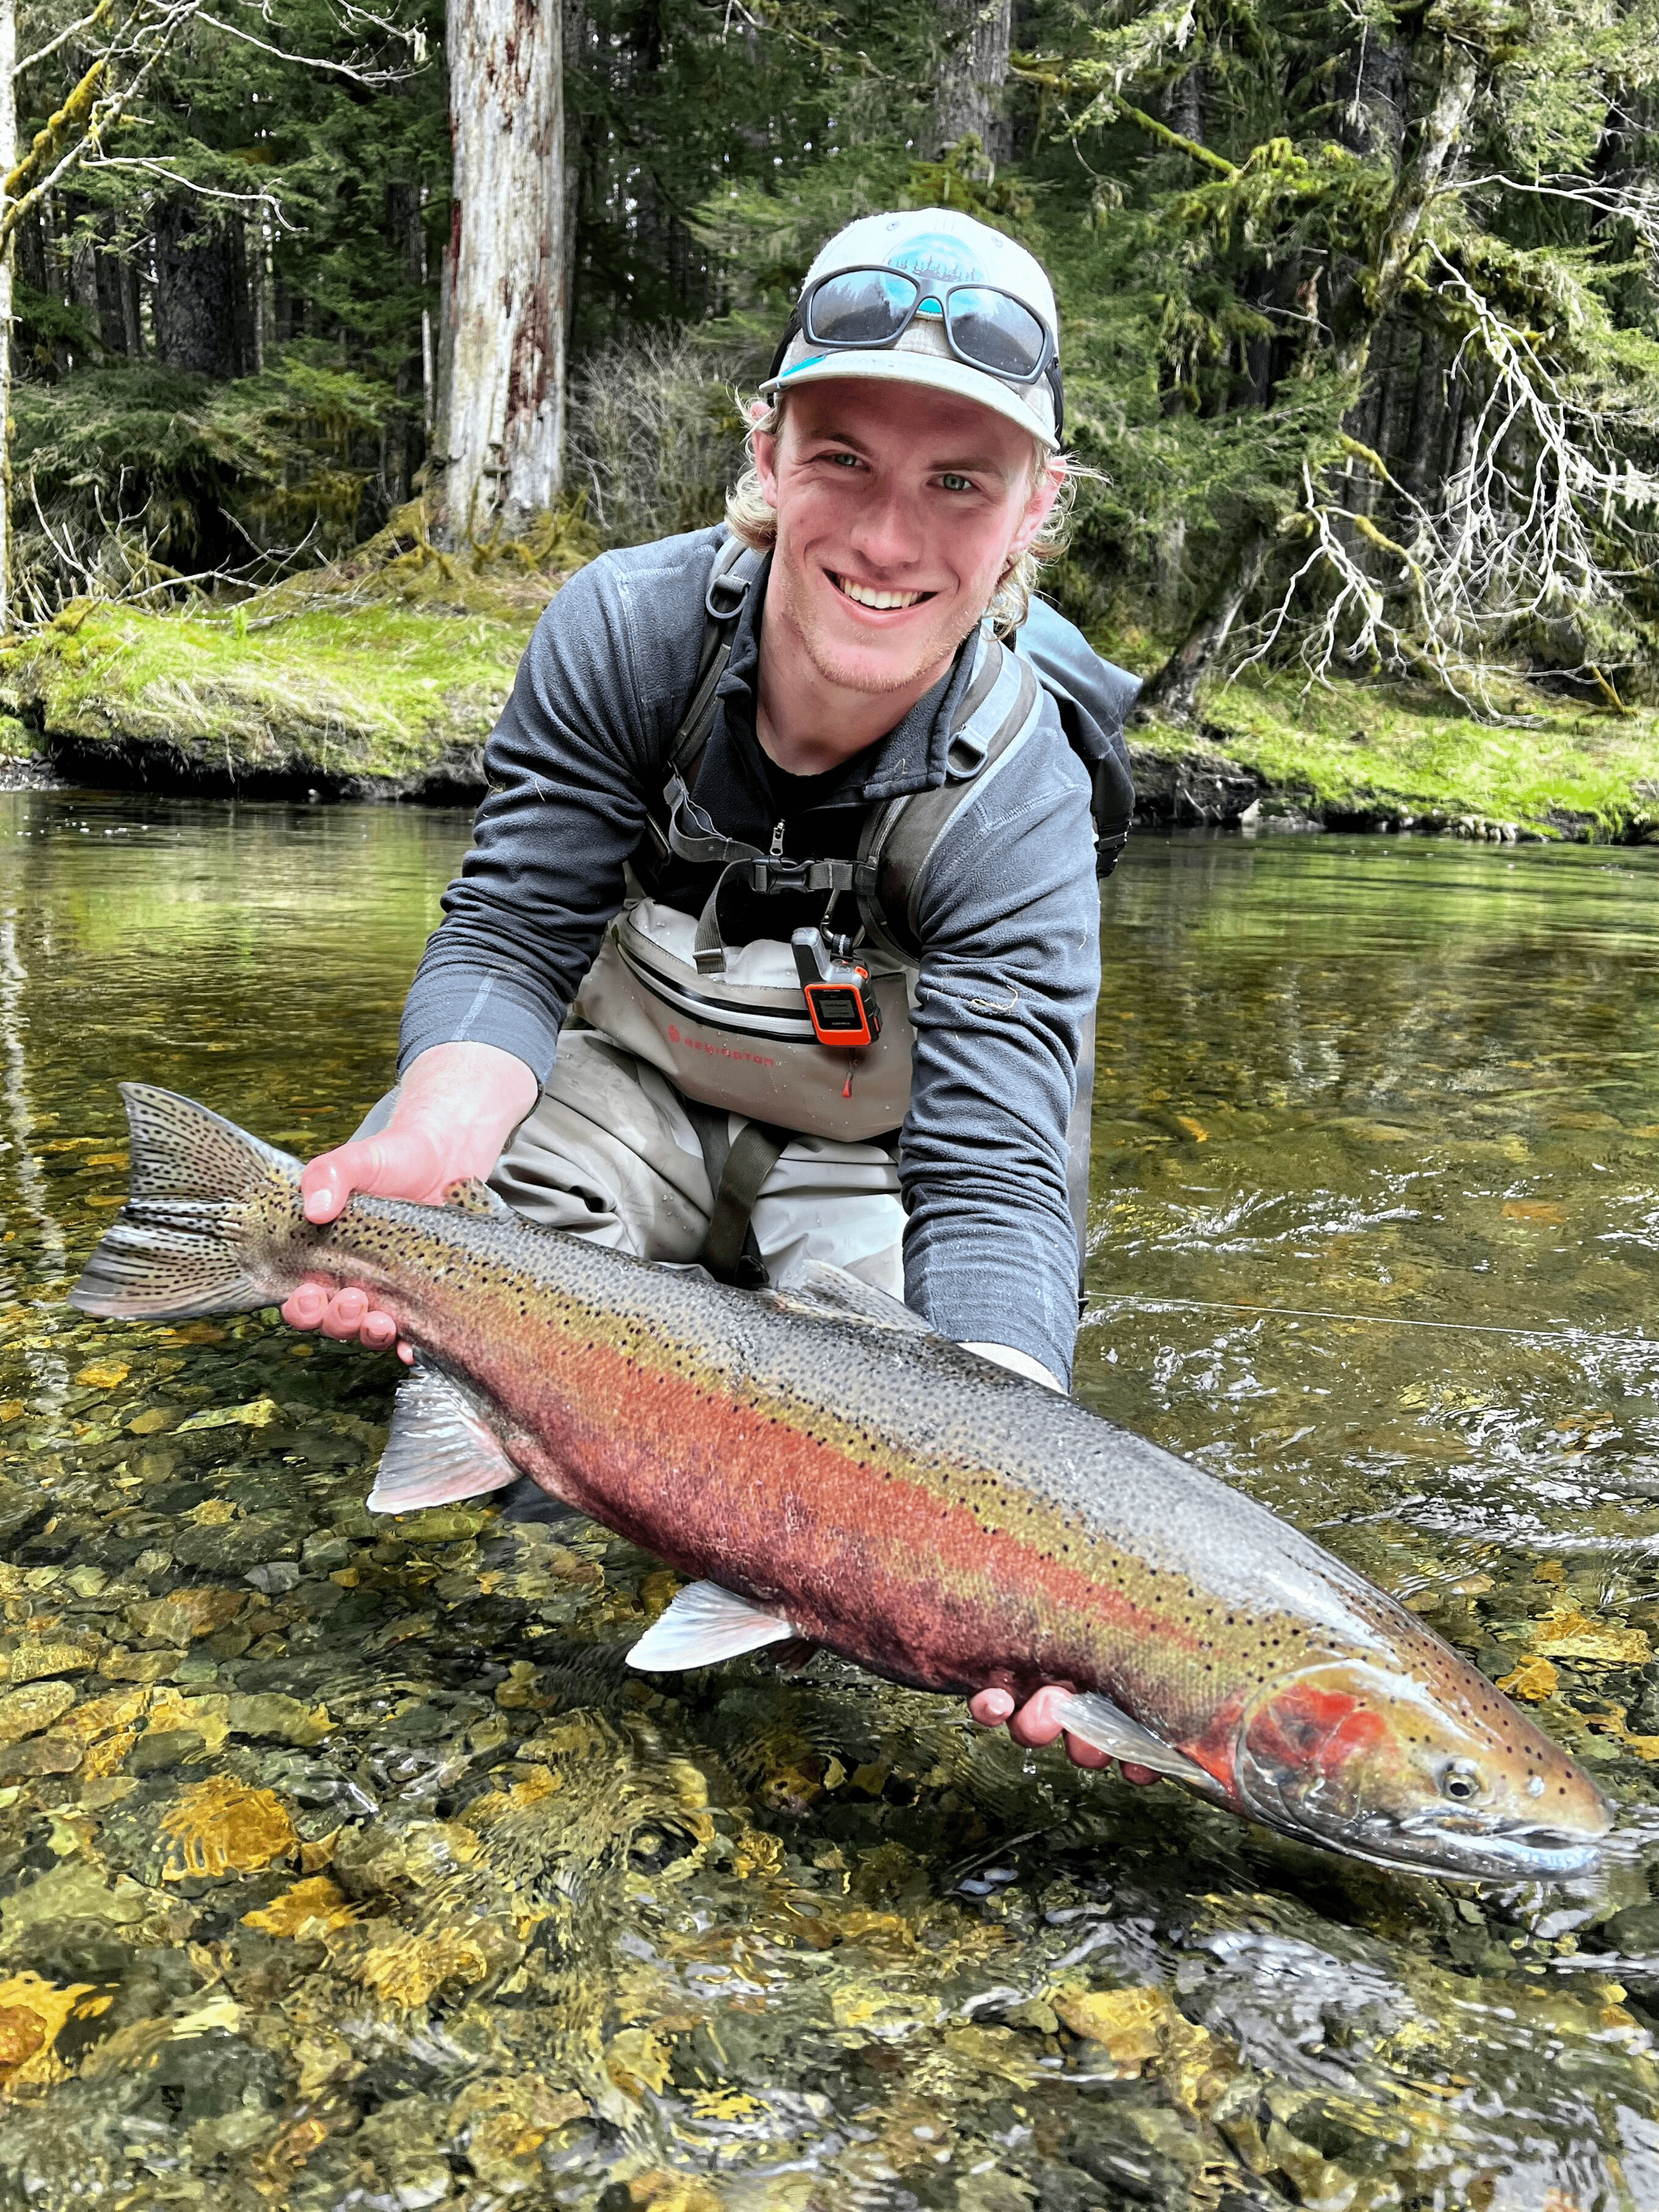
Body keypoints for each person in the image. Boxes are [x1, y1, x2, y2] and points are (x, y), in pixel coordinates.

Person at [284, 208, 1149, 1778]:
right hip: (623, 1096)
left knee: (884, 1536)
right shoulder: (625, 631)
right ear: (765, 456)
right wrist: (425, 1144)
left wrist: (1019, 1486)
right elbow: (513, 934)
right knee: (470, 1343)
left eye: (961, 482)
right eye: (845, 460)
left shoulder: (1028, 789)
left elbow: (999, 1165)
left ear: (1037, 510)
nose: (891, 539)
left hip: (858, 1164)